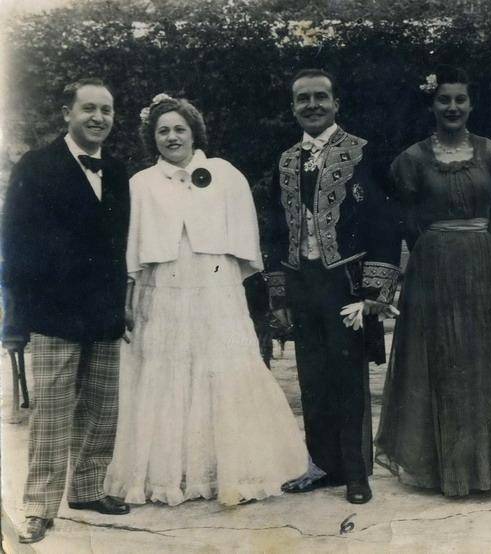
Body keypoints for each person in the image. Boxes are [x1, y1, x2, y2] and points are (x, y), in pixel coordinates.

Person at [103, 94, 308, 506]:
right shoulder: (141, 184)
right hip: (162, 289)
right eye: (163, 131)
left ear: (194, 132)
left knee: (221, 366)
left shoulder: (224, 174)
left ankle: (228, 470)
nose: (172, 137)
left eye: (180, 129)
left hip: (214, 286)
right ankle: (169, 473)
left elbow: (244, 236)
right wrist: (127, 295)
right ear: (152, 138)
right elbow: (130, 245)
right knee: (166, 369)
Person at [375, 66, 491, 496]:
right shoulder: (412, 159)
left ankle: (481, 467)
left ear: (471, 104)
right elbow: (406, 217)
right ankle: (439, 468)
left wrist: (478, 242)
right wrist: (436, 246)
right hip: (431, 267)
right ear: (432, 104)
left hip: (480, 263)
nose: (453, 107)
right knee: (437, 357)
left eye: (460, 99)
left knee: (480, 358)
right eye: (444, 99)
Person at [1, 78, 131, 544]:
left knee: (101, 410)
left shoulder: (116, 170)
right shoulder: (35, 167)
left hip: (104, 314)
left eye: (106, 110)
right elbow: (14, 246)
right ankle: (38, 506)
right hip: (54, 314)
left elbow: (118, 246)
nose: (98, 118)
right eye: (88, 109)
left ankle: (88, 489)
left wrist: (120, 307)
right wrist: (16, 319)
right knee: (52, 414)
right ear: (66, 114)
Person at [264, 69, 402, 504]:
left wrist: (374, 293)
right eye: (302, 99)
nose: (312, 105)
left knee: (347, 378)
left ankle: (356, 474)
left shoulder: (363, 153)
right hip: (302, 285)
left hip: (346, 284)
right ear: (292, 107)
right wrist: (279, 294)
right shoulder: (285, 160)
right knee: (312, 378)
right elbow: (274, 231)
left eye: (320, 97)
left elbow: (385, 225)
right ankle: (324, 467)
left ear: (336, 103)